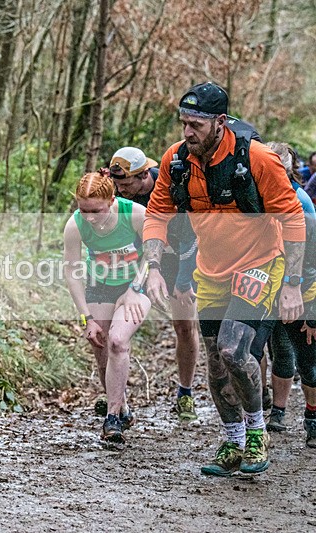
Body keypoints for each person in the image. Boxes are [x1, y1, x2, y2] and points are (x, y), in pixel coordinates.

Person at [144, 82, 306, 475]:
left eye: (195, 124)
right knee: (216, 363)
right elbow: (156, 214)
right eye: (183, 123)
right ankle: (232, 441)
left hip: (260, 263)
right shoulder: (176, 160)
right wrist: (151, 267)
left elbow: (294, 217)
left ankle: (257, 432)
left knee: (236, 350)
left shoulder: (258, 158)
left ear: (220, 121)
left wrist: (292, 283)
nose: (187, 132)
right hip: (212, 269)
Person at [108, 147, 200, 421]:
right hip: (143, 261)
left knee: (184, 326)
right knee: (122, 325)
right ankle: (117, 401)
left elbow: (190, 238)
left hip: (181, 258)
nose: (121, 190)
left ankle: (185, 392)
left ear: (144, 175)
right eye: (117, 184)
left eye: (125, 184)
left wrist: (184, 280)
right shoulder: (123, 198)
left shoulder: (171, 187)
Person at [63, 172, 152, 444]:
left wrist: (135, 289)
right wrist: (86, 317)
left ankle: (111, 418)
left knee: (117, 341)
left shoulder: (136, 214)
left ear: (112, 200)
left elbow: (155, 252)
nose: (89, 217)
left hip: (136, 285)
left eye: (96, 211)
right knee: (102, 350)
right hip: (99, 286)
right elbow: (72, 271)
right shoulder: (75, 225)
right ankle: (122, 408)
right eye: (83, 210)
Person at [260, 142, 316, 446]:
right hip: (268, 289)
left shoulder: (301, 202)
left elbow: (310, 257)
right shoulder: (258, 197)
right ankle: (277, 413)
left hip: (301, 290)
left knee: (307, 360)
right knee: (279, 352)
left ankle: (312, 418)